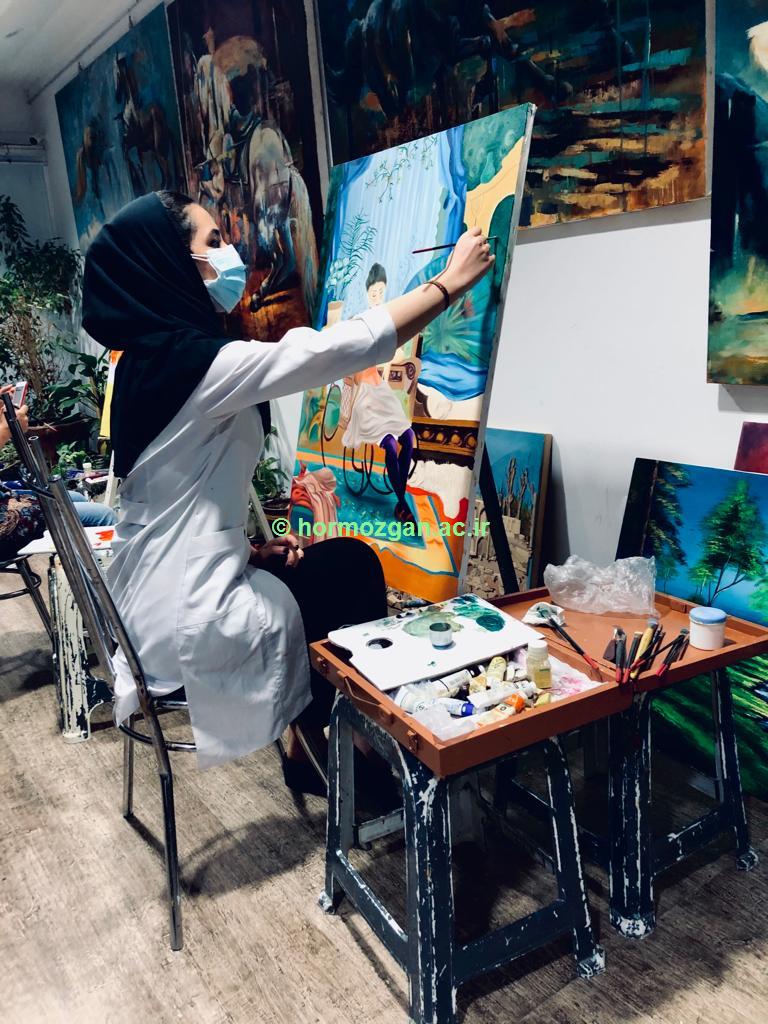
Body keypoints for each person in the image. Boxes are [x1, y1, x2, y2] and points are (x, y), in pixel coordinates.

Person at [80, 189, 493, 789]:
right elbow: (331, 349)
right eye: (213, 242)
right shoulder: (197, 365)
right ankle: (347, 755)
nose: (231, 255)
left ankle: (314, 748)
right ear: (171, 263)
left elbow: (170, 501)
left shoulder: (144, 364)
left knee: (337, 562)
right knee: (350, 572)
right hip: (186, 616)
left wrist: (246, 551)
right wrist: (449, 284)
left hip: (150, 594)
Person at [0, 386, 116, 562]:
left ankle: (85, 565)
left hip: (6, 500)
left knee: (76, 497)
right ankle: (106, 576)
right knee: (103, 515)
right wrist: (6, 430)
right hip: (5, 521)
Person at [341, 263, 417, 522]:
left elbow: (398, 353)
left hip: (382, 392)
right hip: (365, 398)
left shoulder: (387, 321)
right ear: (366, 293)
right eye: (373, 292)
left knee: (408, 436)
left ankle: (400, 500)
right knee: (391, 446)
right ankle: (402, 503)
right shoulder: (358, 323)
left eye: (381, 292)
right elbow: (348, 365)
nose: (377, 296)